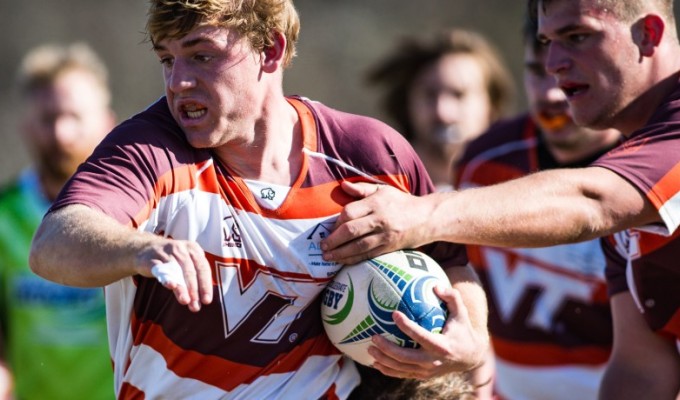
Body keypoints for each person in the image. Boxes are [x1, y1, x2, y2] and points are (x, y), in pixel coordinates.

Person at [28, 1, 489, 398]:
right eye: (167, 60)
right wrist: (140, 248)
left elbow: (450, 260)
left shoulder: (368, 154)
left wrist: (469, 339)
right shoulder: (151, 148)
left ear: (271, 49)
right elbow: (54, 243)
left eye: (201, 55)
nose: (178, 82)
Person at [321, 0, 680, 398]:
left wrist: (421, 214)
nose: (554, 62)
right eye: (546, 42)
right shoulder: (627, 163)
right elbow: (642, 365)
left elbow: (593, 201)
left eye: (578, 36)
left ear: (648, 34)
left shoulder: (636, 169)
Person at [456, 16, 621, 399]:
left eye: (568, 74)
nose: (549, 93)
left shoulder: (650, 169)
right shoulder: (485, 162)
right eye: (536, 71)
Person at [0, 42, 116, 399]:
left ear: (108, 123)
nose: (61, 134)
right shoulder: (5, 215)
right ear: (26, 126)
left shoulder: (137, 215)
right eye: (48, 118)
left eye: (75, 117)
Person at [366, 28, 514, 190]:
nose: (442, 112)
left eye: (459, 95)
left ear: (491, 106)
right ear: (407, 104)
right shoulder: (375, 182)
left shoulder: (518, 184)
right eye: (430, 95)